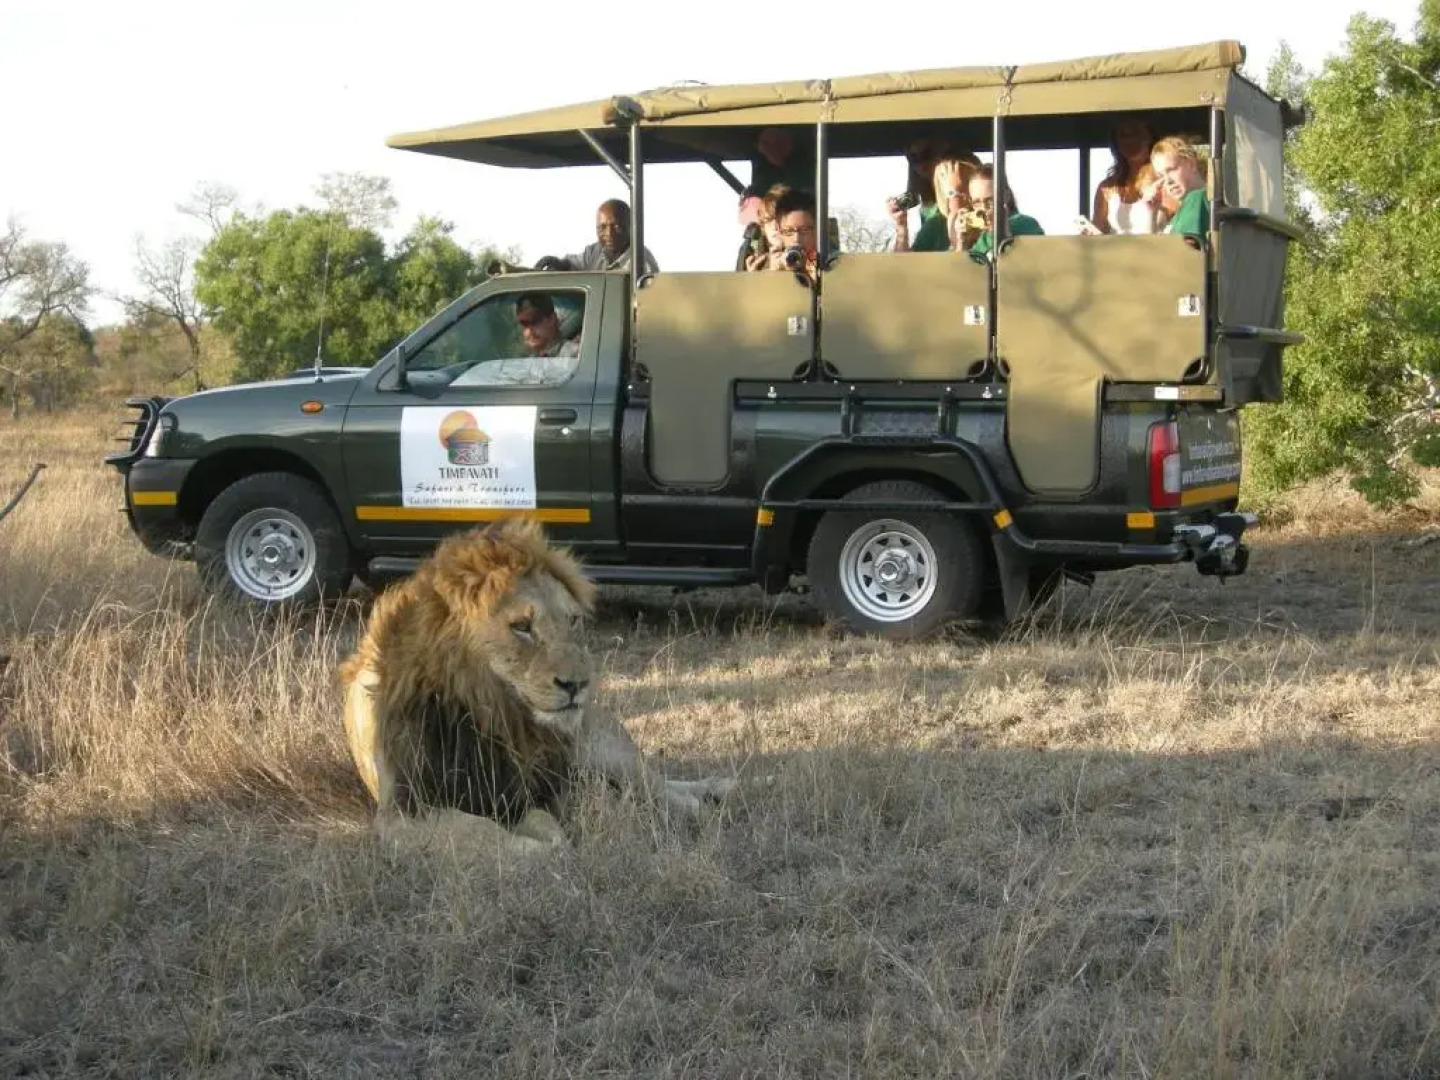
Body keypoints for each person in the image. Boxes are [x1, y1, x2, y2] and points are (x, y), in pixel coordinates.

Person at [536, 200, 659, 274]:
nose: (609, 233)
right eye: (602, 227)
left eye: (616, 226)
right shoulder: (593, 252)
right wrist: (557, 262)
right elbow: (572, 264)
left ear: (630, 227)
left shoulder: (642, 262)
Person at [1090, 117, 1166, 235]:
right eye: (1123, 135)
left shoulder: (1165, 180)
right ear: (1116, 142)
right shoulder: (1106, 187)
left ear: (1150, 137)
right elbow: (1098, 233)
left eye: (1136, 133)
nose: (1130, 140)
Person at [888, 137, 963, 252]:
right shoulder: (931, 214)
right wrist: (901, 226)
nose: (921, 163)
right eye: (913, 158)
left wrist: (954, 196)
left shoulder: (980, 205)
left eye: (927, 154)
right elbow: (905, 263)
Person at [965, 164, 1045, 257]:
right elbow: (965, 268)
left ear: (1006, 197)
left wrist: (1003, 231)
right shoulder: (984, 238)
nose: (983, 208)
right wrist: (960, 241)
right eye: (977, 202)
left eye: (990, 200)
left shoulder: (1026, 224)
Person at [1150, 136, 1209, 244]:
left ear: (1192, 164)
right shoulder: (1185, 209)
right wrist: (1153, 212)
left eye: (1171, 170)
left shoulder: (1197, 198)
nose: (1167, 181)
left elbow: (1184, 252)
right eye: (1161, 175)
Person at [515, 293, 580, 360]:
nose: (528, 332)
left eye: (534, 322)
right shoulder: (529, 361)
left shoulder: (576, 355)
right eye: (524, 325)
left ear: (552, 319)